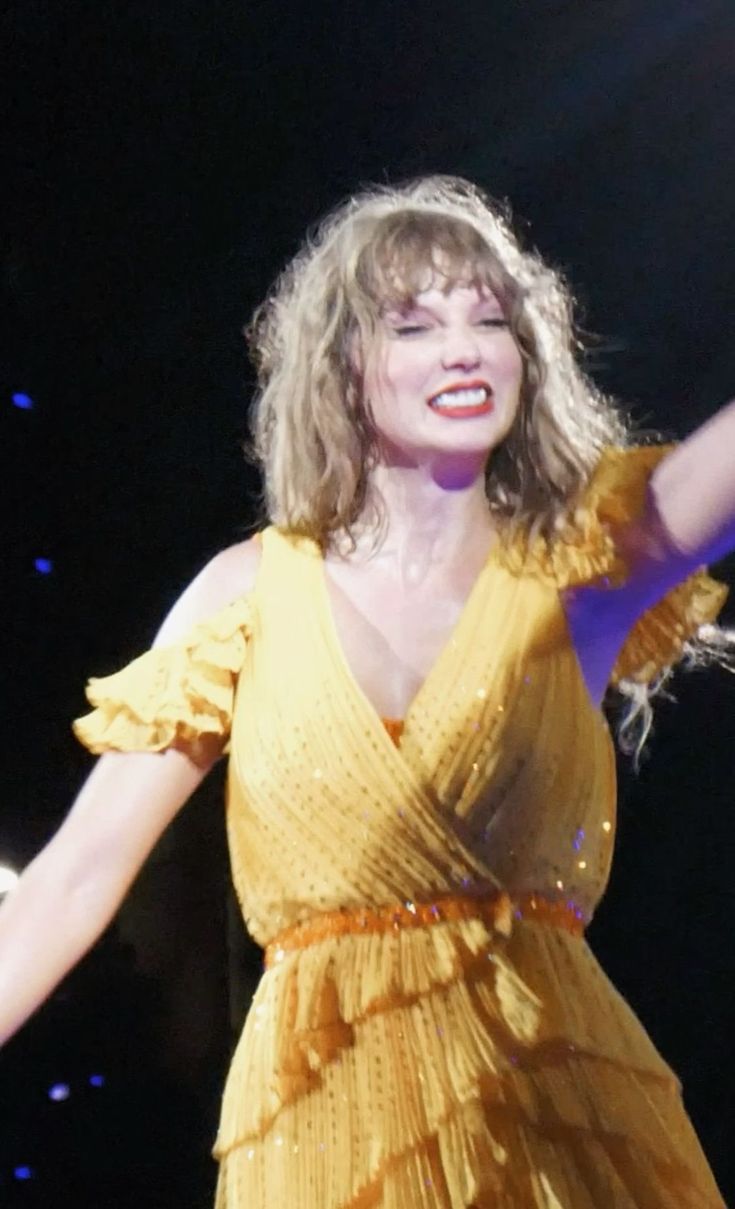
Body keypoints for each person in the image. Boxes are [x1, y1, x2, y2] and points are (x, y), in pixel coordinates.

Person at [1, 174, 733, 1207]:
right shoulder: (246, 594)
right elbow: (72, 879)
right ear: (346, 366)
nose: (465, 348)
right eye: (415, 324)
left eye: (490, 319)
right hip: (323, 1117)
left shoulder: (583, 566)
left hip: (550, 1107)